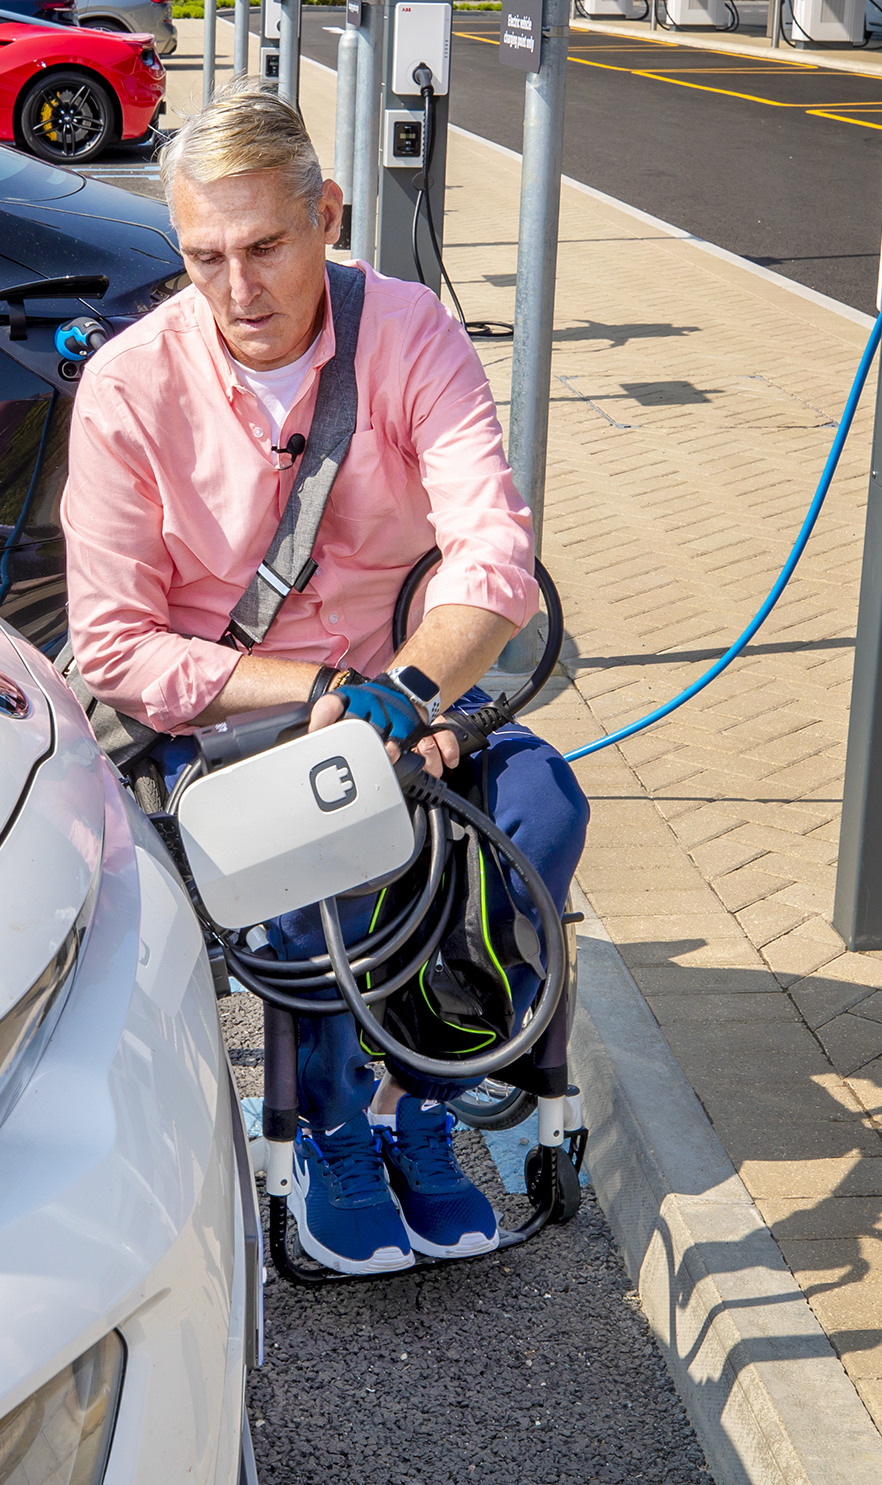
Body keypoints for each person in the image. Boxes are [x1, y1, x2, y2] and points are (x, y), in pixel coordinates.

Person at [62, 80, 589, 1275]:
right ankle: (331, 1128)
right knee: (315, 828)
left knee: (543, 807)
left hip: (412, 698)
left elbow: (494, 555)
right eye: (204, 257)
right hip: (243, 719)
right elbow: (113, 646)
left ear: (329, 217)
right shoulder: (131, 389)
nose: (238, 292)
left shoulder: (409, 332)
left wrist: (411, 698)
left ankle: (424, 1097)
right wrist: (315, 700)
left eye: (265, 247)